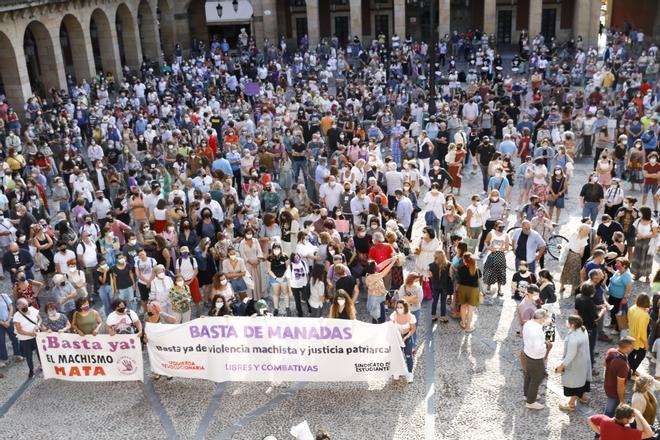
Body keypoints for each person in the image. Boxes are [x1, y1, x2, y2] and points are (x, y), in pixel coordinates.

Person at [555, 315, 592, 412]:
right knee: (582, 379)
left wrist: (561, 365)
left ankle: (571, 404)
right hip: (583, 362)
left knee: (575, 383)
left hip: (575, 365)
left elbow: (570, 355)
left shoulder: (573, 338)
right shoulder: (583, 330)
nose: (566, 322)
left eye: (568, 322)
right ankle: (583, 397)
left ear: (572, 325)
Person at [522, 308, 550, 410]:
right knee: (538, 377)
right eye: (545, 317)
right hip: (535, 357)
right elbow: (539, 348)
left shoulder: (528, 323)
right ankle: (530, 401)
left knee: (529, 375)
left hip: (527, 353)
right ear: (542, 318)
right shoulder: (538, 331)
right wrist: (546, 346)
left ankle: (527, 394)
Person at [602, 336, 636, 417]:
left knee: (610, 406)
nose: (634, 348)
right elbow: (620, 386)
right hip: (614, 391)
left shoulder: (611, 351)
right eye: (632, 346)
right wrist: (622, 401)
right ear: (627, 347)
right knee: (609, 412)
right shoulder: (622, 365)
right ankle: (604, 426)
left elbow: (604, 364)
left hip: (608, 384)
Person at [588, 404, 655, 440]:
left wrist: (601, 433)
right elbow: (649, 434)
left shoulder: (604, 420)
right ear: (625, 419)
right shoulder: (627, 432)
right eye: (632, 417)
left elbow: (589, 419)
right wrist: (639, 415)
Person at [13, 297, 41, 378]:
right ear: (18, 306)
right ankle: (31, 370)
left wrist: (37, 325)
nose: (25, 307)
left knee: (40, 352)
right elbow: (19, 330)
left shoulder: (32, 309)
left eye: (26, 305)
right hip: (25, 339)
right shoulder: (16, 316)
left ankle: (42, 365)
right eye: (22, 305)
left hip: (36, 336)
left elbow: (40, 319)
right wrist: (30, 334)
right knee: (29, 355)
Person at [559, 224, 591, 294]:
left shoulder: (574, 234)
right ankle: (573, 290)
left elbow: (569, 243)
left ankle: (561, 286)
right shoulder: (585, 239)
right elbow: (581, 252)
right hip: (576, 257)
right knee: (575, 273)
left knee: (566, 270)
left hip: (570, 254)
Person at [390, 299, 416, 383]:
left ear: (405, 307)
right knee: (397, 355)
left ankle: (410, 373)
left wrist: (406, 337)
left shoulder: (410, 316)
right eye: (397, 307)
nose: (399, 309)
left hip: (407, 336)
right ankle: (397, 371)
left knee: (408, 355)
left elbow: (413, 329)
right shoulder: (394, 315)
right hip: (397, 337)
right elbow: (391, 326)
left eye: (400, 307)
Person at [482, 220, 509, 296]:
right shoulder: (491, 233)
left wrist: (500, 249)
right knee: (489, 271)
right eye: (500, 227)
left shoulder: (505, 235)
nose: (502, 228)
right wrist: (488, 247)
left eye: (503, 227)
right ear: (496, 227)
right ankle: (488, 288)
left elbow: (507, 247)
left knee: (500, 272)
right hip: (492, 254)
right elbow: (486, 241)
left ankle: (499, 289)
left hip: (500, 255)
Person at [627, 294, 651, 375]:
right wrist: (646, 344)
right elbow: (642, 333)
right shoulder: (644, 316)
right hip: (639, 340)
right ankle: (631, 371)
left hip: (631, 335)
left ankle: (629, 368)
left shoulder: (632, 308)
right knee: (641, 356)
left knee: (631, 354)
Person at [456, 252, 481, 332]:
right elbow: (479, 278)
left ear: (464, 260)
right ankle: (468, 327)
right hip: (473, 290)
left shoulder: (460, 268)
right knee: (470, 309)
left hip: (462, 288)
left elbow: (458, 278)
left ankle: (463, 323)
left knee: (463, 306)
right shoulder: (477, 270)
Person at [267, 243, 290, 316]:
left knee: (285, 292)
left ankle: (287, 307)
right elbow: (269, 270)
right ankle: (276, 308)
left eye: (278, 249)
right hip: (274, 278)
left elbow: (288, 268)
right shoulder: (270, 258)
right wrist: (276, 278)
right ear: (272, 249)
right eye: (275, 249)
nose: (276, 250)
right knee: (276, 293)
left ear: (280, 249)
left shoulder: (285, 256)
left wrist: (283, 277)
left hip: (284, 277)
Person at [429, 250, 452, 322]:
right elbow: (450, 275)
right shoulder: (448, 265)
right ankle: (443, 317)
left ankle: (433, 316)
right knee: (443, 301)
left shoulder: (431, 265)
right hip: (444, 286)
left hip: (435, 286)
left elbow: (430, 276)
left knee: (434, 301)